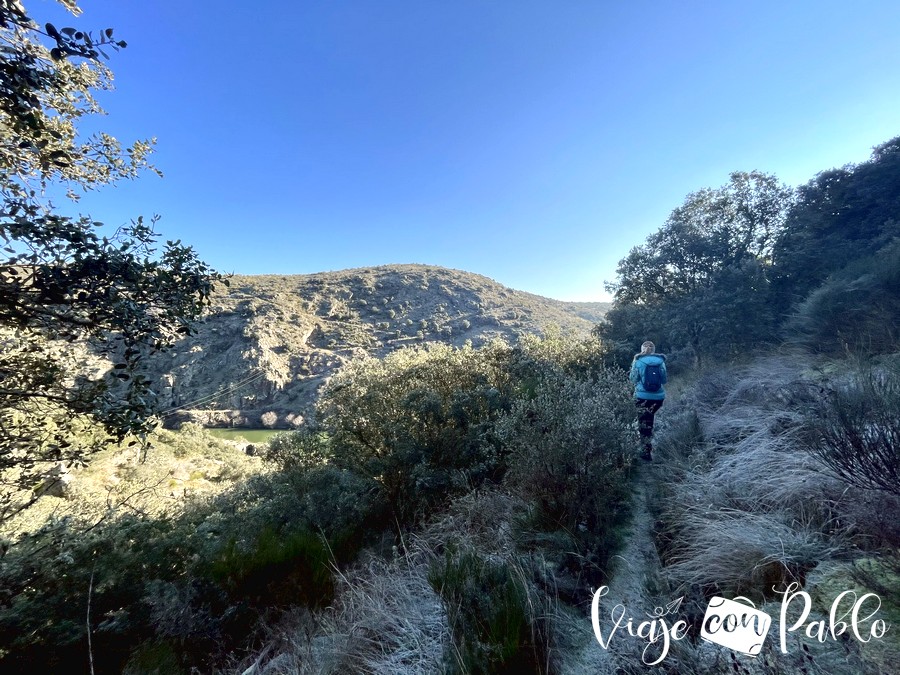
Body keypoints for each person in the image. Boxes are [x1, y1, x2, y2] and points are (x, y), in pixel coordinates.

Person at [630, 340, 667, 461]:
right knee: (649, 420)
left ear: (642, 349)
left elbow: (633, 379)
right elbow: (664, 380)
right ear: (653, 350)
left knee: (644, 424)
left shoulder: (638, 360)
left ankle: (645, 453)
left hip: (642, 397)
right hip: (658, 398)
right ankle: (647, 448)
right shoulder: (661, 361)